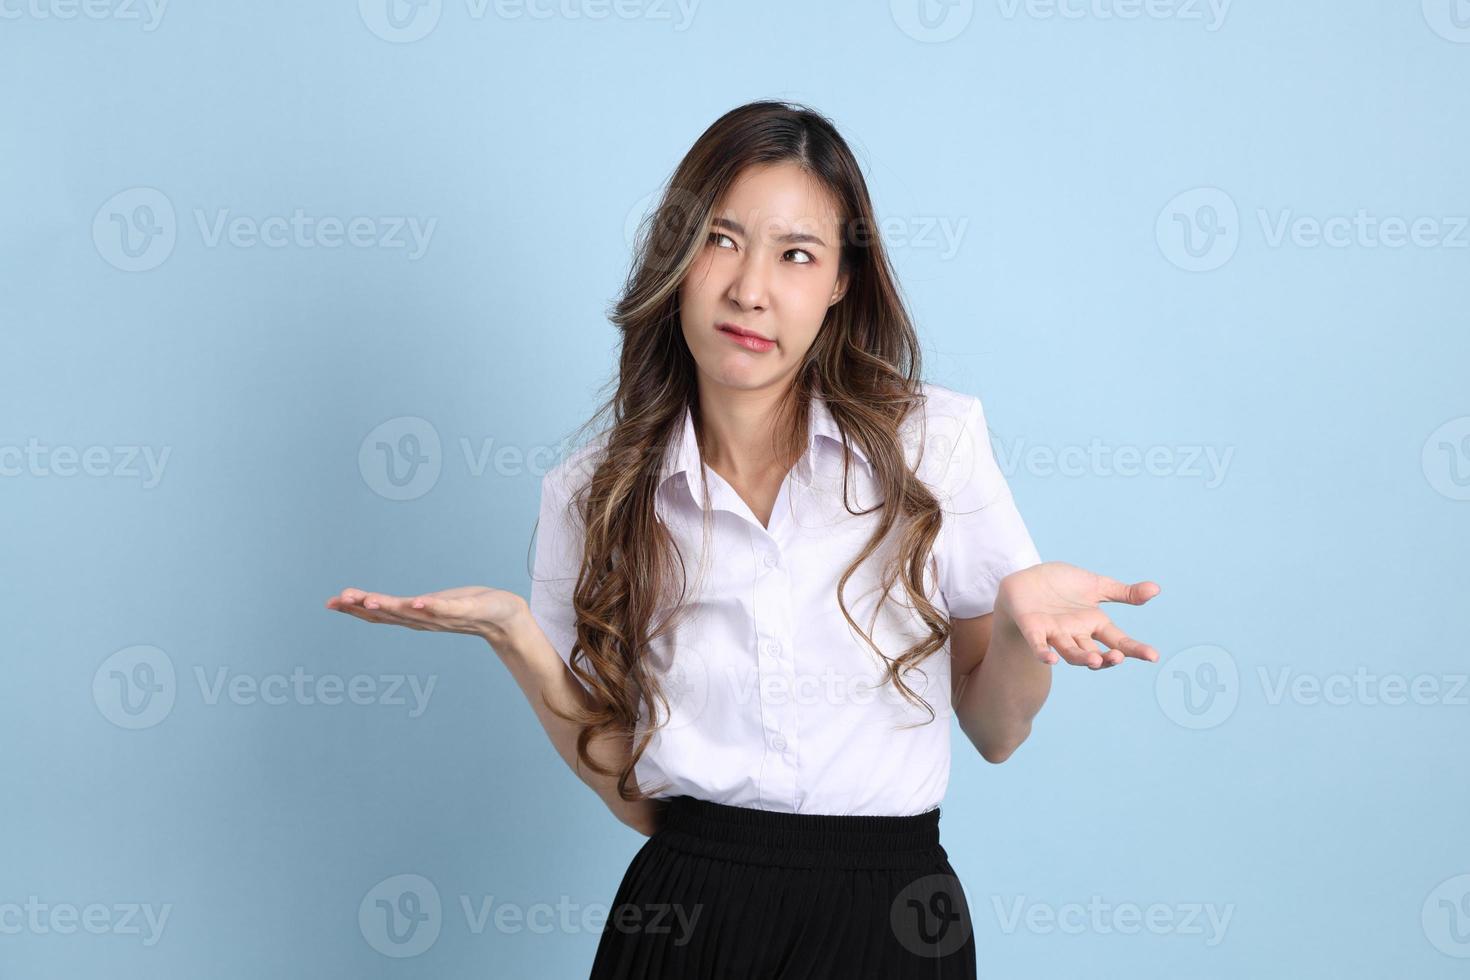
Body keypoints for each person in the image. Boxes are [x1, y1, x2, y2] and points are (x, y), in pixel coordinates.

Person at [326, 100, 1162, 979]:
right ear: (676, 257)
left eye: (797, 254)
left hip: (894, 920)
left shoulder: (932, 445)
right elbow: (639, 801)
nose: (750, 288)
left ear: (842, 280)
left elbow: (997, 732)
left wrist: (1021, 619)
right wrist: (515, 637)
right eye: (722, 241)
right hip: (684, 916)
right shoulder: (593, 497)